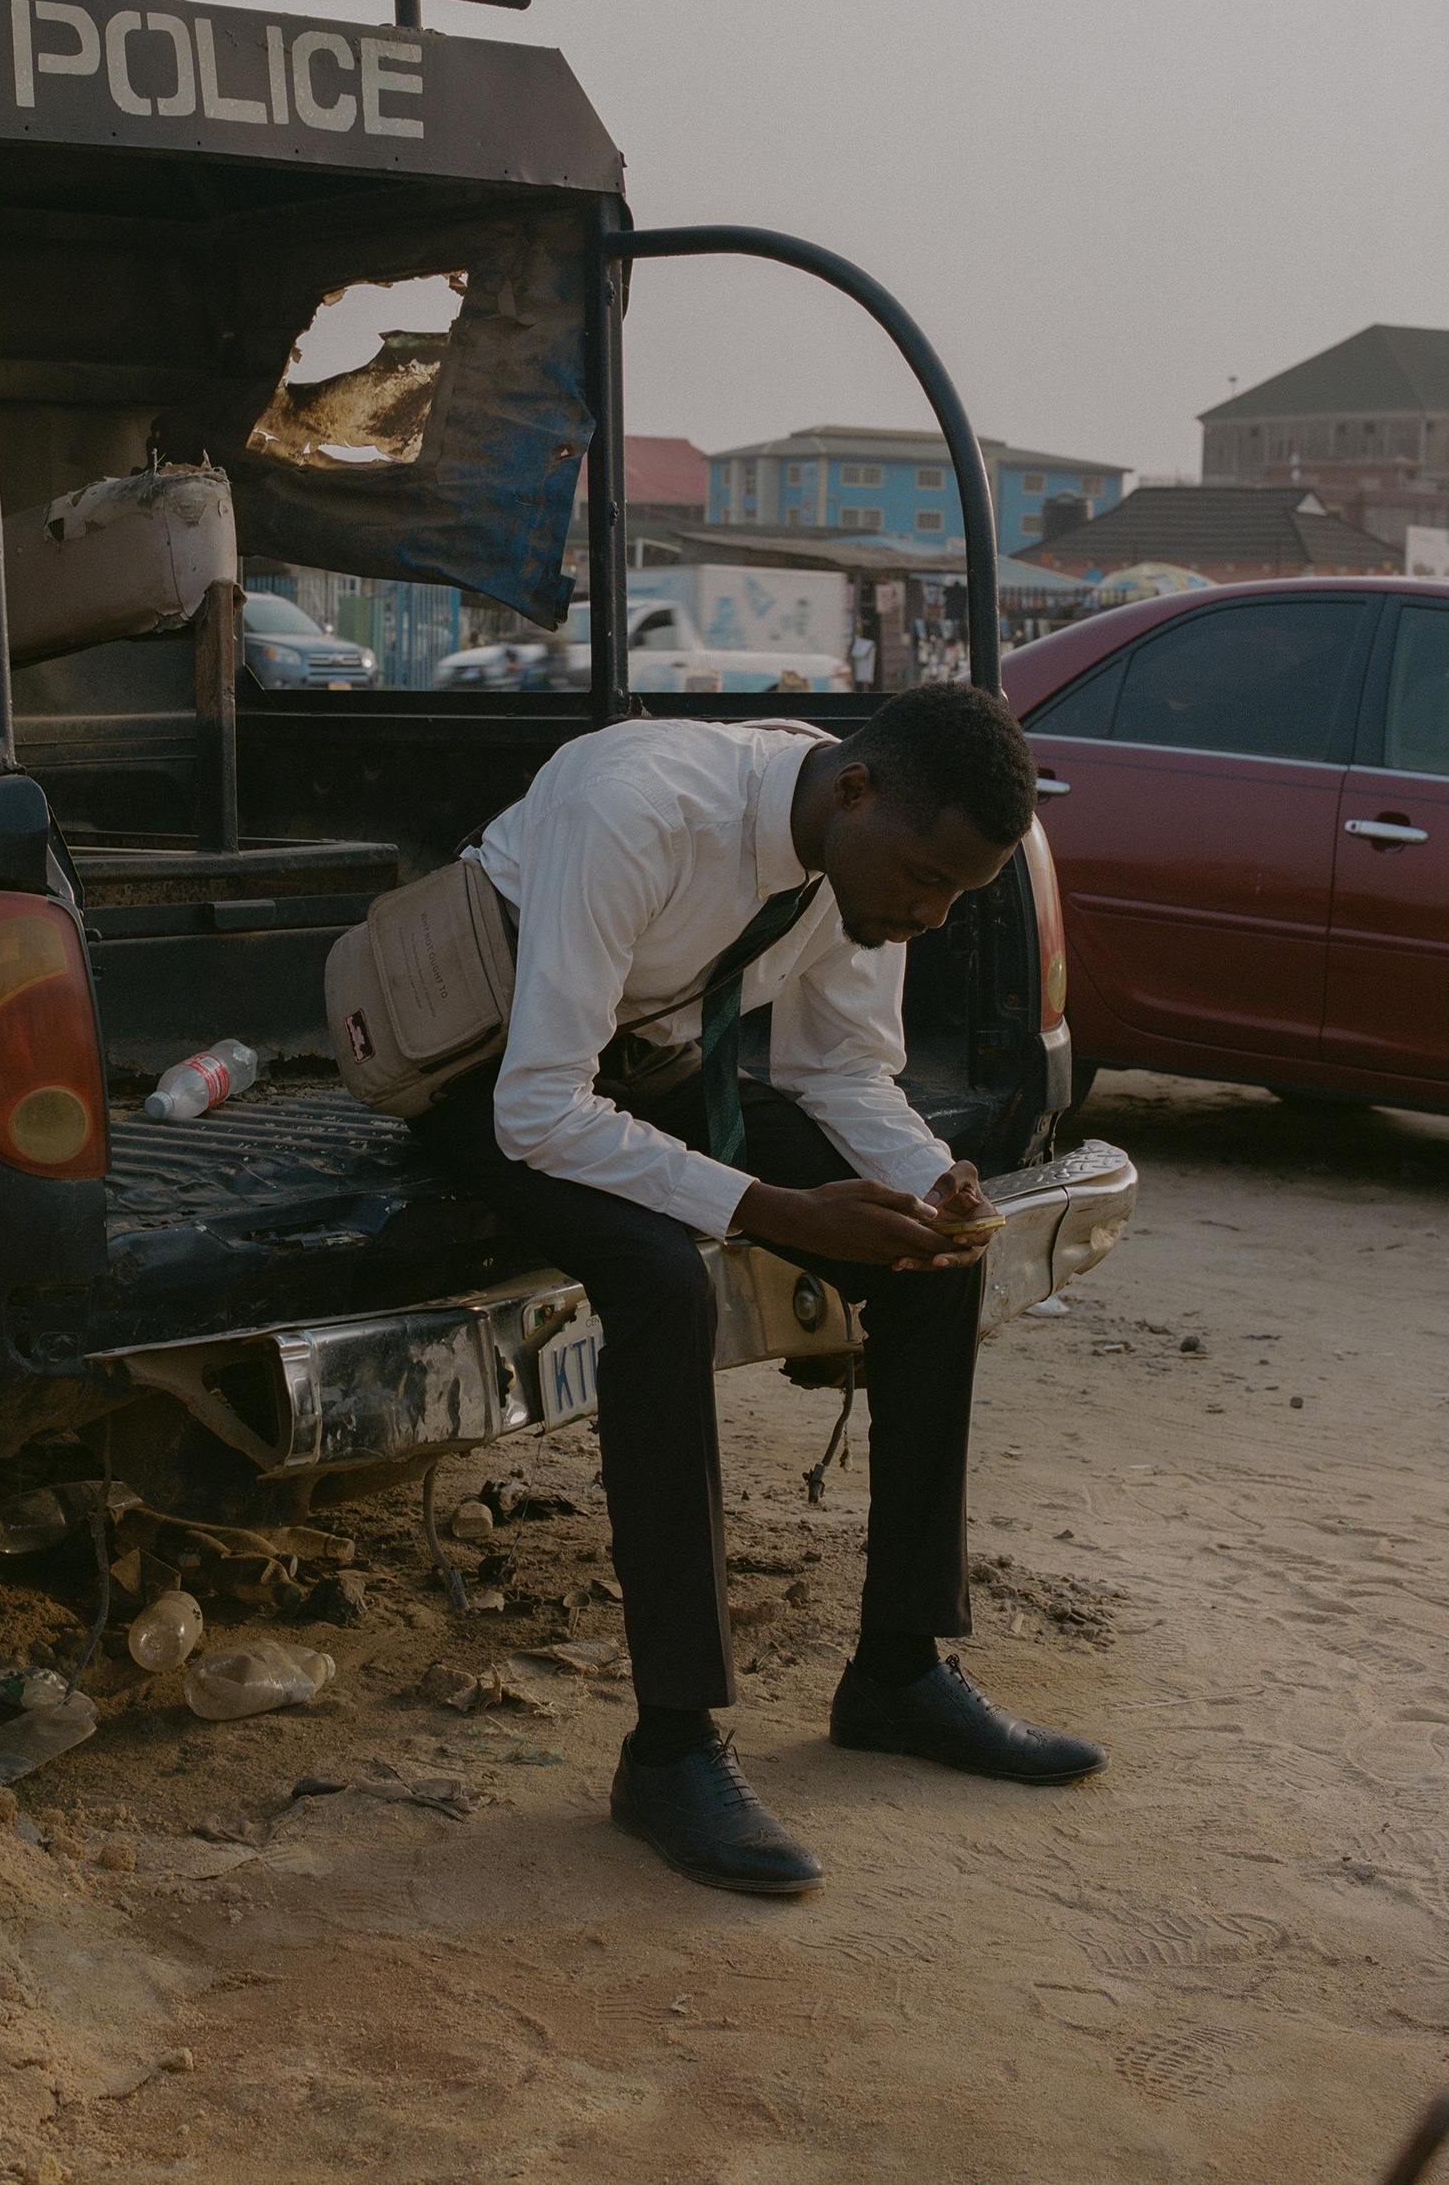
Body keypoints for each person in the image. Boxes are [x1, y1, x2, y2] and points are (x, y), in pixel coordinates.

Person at [414, 683, 1105, 1897]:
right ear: (853, 791)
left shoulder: (854, 856)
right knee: (662, 1283)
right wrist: (770, 1209)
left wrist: (927, 1183)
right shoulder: (637, 806)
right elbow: (536, 1106)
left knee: (934, 1260)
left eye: (958, 894)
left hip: (640, 1063)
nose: (931, 914)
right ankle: (671, 1744)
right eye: (926, 878)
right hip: (488, 1070)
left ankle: (896, 1671)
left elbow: (835, 1070)